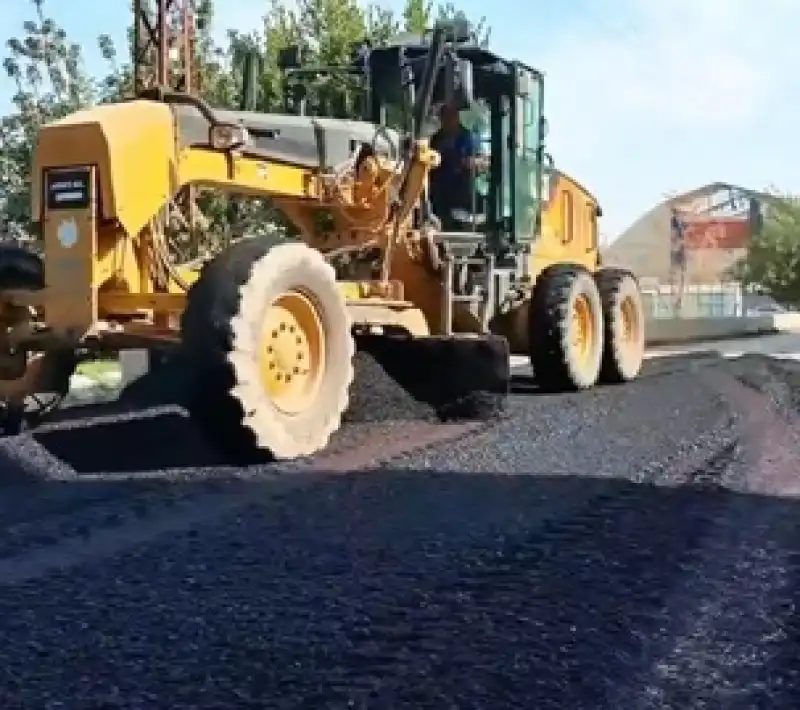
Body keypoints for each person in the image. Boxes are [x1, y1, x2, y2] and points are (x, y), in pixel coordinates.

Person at [428, 102, 488, 227]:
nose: (446, 121)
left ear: (457, 117)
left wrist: (474, 162)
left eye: (450, 116)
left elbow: (484, 162)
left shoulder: (470, 137)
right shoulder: (435, 140)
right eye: (443, 117)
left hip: (463, 195)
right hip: (438, 196)